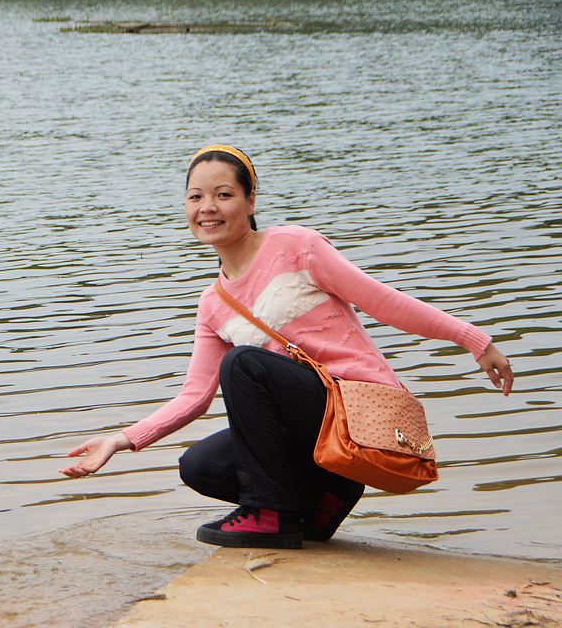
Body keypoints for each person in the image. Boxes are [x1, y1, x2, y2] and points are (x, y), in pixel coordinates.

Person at [59, 144, 514, 549]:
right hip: (310, 425)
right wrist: (120, 440)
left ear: (250, 200)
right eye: (195, 196)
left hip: (357, 406)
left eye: (223, 194)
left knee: (244, 364)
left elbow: (385, 302)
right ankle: (322, 498)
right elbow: (194, 397)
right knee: (200, 465)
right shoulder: (212, 303)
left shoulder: (296, 247)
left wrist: (474, 339)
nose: (207, 208)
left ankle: (267, 512)